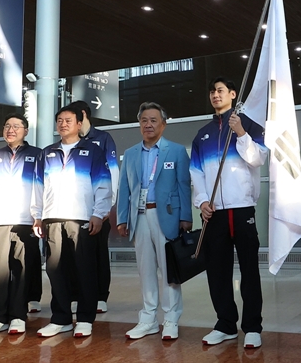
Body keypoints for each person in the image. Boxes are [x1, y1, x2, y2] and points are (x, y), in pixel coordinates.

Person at [190, 77, 267, 349]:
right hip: (215, 213)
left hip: (242, 208)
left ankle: (253, 327)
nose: (215, 95)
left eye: (221, 90)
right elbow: (196, 173)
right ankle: (225, 324)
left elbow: (258, 158)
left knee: (249, 270)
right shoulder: (202, 134)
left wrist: (242, 133)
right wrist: (202, 202)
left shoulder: (250, 125)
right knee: (218, 271)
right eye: (212, 91)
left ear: (233, 94)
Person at [31, 105, 112, 338]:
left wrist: (99, 213)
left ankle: (85, 318)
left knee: (85, 269)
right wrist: (37, 215)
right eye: (59, 120)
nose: (63, 124)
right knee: (56, 270)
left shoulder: (93, 151)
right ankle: (61, 318)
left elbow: (103, 184)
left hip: (81, 218)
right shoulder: (46, 153)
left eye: (68, 120)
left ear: (79, 124)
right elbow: (38, 187)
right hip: (53, 218)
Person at [117, 102, 192, 341]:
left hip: (167, 216)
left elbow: (183, 186)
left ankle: (170, 319)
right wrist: (121, 218)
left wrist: (185, 217)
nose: (148, 125)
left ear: (163, 124)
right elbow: (124, 190)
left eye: (153, 120)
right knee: (145, 269)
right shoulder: (130, 154)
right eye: (144, 121)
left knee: (169, 270)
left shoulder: (176, 151)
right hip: (139, 217)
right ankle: (148, 319)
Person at [0, 113, 42, 337]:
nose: (10, 130)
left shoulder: (37, 155)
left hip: (26, 222)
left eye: (16, 126)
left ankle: (18, 316)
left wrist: (39, 216)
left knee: (23, 270)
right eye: (7, 126)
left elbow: (43, 188)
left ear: (26, 131)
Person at [69, 100, 120, 314]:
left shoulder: (103, 139)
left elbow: (113, 173)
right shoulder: (69, 141)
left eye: (72, 118)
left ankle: (100, 296)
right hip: (75, 210)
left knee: (98, 253)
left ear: (82, 116)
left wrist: (107, 207)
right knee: (75, 254)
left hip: (99, 210)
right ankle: (77, 294)